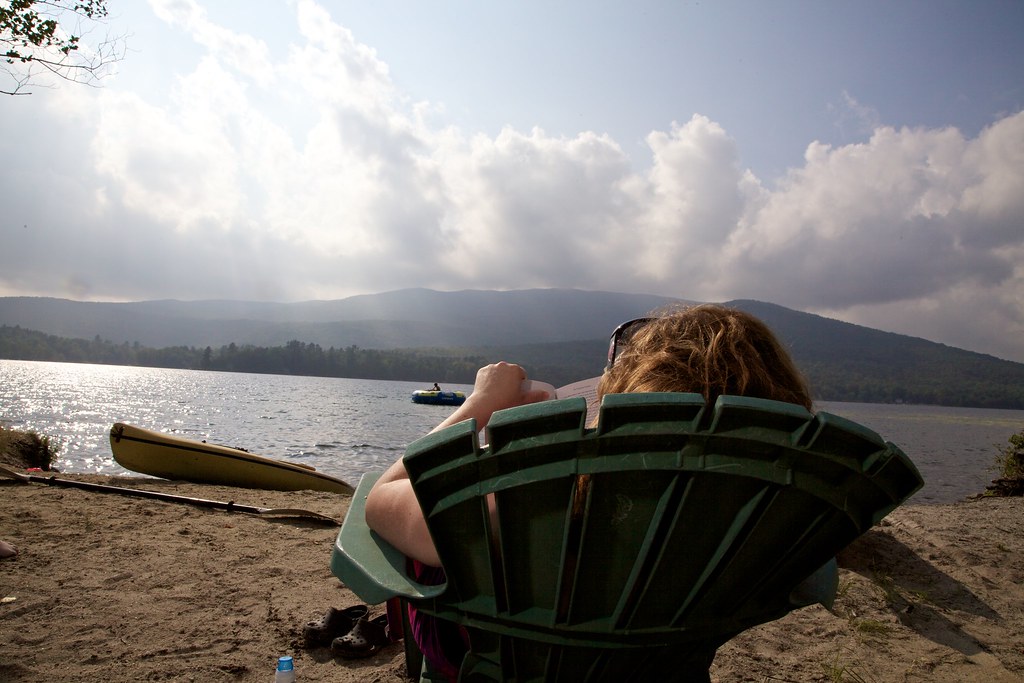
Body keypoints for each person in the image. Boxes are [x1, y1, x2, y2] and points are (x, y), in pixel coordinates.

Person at [364, 304, 813, 678]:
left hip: (498, 669)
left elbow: (384, 498)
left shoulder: (531, 507)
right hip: (660, 670)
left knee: (433, 555)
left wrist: (480, 406)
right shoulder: (776, 518)